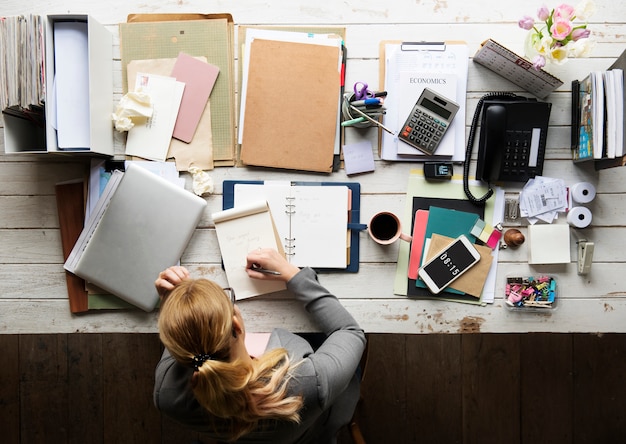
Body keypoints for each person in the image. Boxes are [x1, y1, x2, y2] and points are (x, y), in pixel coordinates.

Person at [153, 248, 366, 443]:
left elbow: (177, 340)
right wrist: (295, 276)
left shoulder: (166, 395)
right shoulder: (308, 383)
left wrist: (172, 304)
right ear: (236, 325)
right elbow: (350, 332)